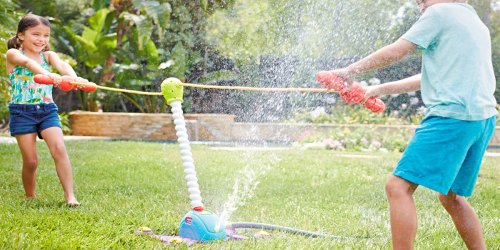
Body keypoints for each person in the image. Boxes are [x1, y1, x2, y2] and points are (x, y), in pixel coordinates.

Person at [317, 0, 496, 249]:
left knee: (397, 186)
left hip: (451, 117)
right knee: (451, 196)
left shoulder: (439, 13)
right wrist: (379, 89)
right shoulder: (470, 19)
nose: (418, 0)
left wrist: (350, 71)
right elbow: (431, 76)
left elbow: (396, 51)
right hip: (481, 118)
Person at [6, 14, 86, 206]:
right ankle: (30, 196)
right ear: (21, 35)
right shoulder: (13, 54)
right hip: (22, 111)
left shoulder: (48, 56)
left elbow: (63, 66)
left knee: (59, 149)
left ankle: (70, 197)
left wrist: (75, 79)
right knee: (31, 161)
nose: (41, 39)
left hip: (47, 110)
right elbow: (28, 64)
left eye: (46, 35)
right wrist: (47, 74)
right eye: (36, 34)